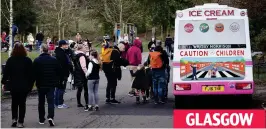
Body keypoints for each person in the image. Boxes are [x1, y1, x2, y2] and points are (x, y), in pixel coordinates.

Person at [1, 43, 34, 128]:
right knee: (22, 104)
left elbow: (6, 74)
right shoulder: (27, 60)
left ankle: (14, 118)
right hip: (24, 86)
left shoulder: (10, 60)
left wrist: (3, 83)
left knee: (14, 103)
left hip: (13, 85)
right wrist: (30, 85)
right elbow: (31, 75)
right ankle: (20, 121)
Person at [32, 44, 62, 126]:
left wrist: (33, 82)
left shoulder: (37, 60)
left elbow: (33, 73)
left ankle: (41, 119)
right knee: (50, 101)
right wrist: (57, 80)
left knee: (41, 102)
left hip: (41, 84)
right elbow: (59, 71)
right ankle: (50, 117)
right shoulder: (54, 60)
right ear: (48, 50)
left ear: (41, 50)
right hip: (51, 84)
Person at [54, 40, 72, 108]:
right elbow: (64, 63)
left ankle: (56, 103)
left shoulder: (59, 52)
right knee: (61, 88)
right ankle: (60, 103)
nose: (67, 46)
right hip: (62, 73)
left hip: (59, 73)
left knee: (58, 88)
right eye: (66, 44)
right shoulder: (61, 53)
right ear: (62, 45)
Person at [73, 44, 89, 109]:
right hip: (82, 73)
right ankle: (87, 103)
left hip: (76, 72)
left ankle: (79, 102)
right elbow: (83, 66)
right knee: (85, 88)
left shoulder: (75, 54)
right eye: (84, 47)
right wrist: (87, 73)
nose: (85, 49)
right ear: (81, 49)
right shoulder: (82, 56)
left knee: (79, 89)